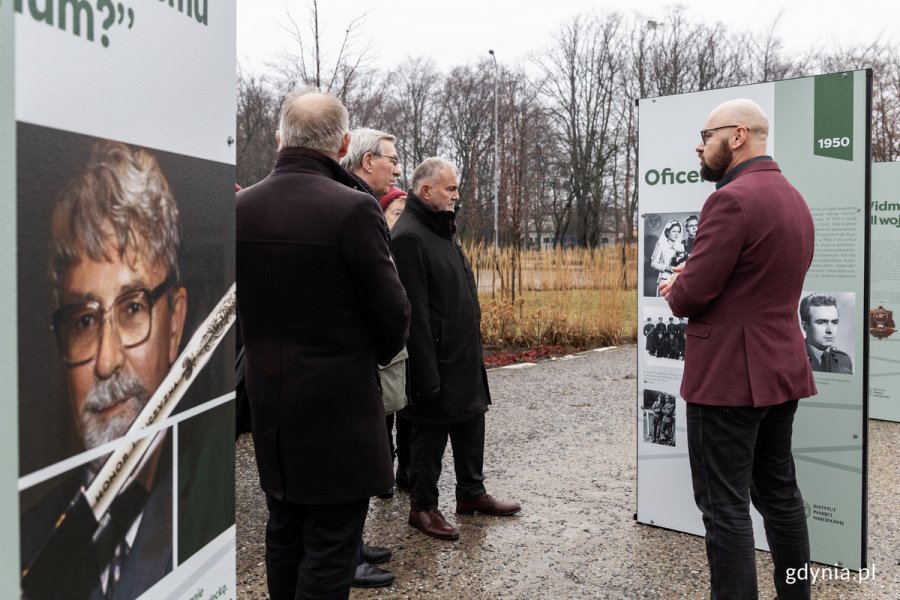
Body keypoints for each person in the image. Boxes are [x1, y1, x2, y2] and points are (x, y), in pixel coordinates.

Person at [237, 89, 410, 600]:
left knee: (284, 534)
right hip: (340, 414)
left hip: (272, 408)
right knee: (332, 549)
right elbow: (394, 315)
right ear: (343, 144)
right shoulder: (354, 209)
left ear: (278, 138)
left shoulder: (241, 209)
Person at [660, 99, 816, 599]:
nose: (699, 146)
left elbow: (691, 296)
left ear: (740, 135)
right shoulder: (792, 197)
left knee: (724, 507)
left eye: (707, 136)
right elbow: (756, 280)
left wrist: (677, 284)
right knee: (780, 494)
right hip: (781, 371)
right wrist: (699, 273)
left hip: (728, 379)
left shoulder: (729, 200)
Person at [21, 140, 188, 599]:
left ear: (174, 324)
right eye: (85, 319)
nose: (107, 359)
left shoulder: (200, 516)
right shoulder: (24, 551)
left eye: (133, 307)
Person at [391, 157, 520, 541]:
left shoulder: (442, 229)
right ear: (426, 189)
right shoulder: (409, 236)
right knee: (430, 432)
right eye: (450, 189)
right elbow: (412, 314)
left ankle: (471, 493)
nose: (456, 196)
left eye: (456, 188)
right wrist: (425, 374)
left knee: (471, 418)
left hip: (461, 353)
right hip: (435, 358)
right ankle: (423, 507)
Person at [339, 129, 407, 588]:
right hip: (351, 362)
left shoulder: (354, 202)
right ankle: (345, 555)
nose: (398, 167)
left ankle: (351, 543)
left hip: (352, 360)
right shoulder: (356, 208)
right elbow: (382, 300)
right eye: (391, 159)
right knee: (349, 461)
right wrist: (383, 352)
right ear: (366, 161)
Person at [340, 127, 402, 199]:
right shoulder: (361, 205)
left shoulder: (331, 197)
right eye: (393, 162)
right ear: (368, 162)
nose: (398, 172)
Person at [800, 293, 852, 373]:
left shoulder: (844, 361)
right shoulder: (793, 359)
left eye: (834, 322)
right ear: (805, 326)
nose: (830, 330)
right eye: (821, 322)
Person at [650, 219, 686, 295]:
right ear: (668, 232)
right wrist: (667, 268)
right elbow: (653, 264)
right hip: (664, 280)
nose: (676, 234)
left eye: (678, 232)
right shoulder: (661, 245)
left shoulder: (681, 246)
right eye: (674, 231)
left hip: (678, 281)